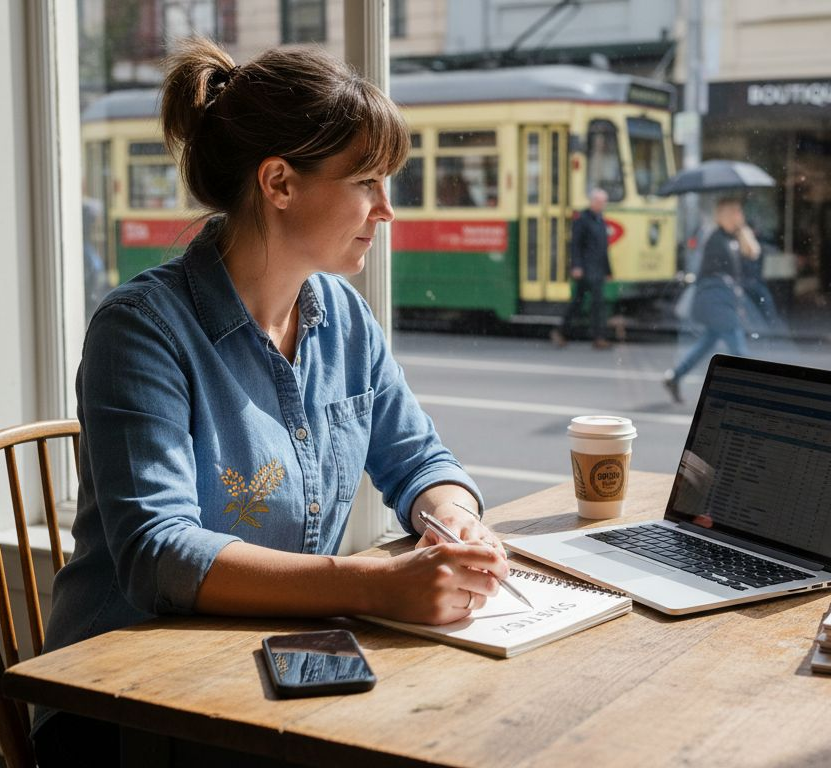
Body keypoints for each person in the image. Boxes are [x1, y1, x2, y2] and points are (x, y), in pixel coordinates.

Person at [32, 39, 510, 765]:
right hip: (120, 704)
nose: (386, 210)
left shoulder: (344, 317)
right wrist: (375, 587)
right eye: (367, 182)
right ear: (279, 183)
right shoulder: (140, 331)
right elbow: (160, 555)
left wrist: (456, 522)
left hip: (266, 667)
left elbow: (419, 458)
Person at [663, 198, 759, 403]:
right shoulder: (716, 238)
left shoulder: (730, 238)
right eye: (737, 212)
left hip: (723, 301)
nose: (741, 217)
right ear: (728, 215)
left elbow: (751, 256)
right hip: (715, 302)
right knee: (737, 347)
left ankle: (675, 376)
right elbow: (718, 275)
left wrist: (744, 233)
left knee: (708, 342)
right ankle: (750, 393)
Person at [551, 188, 613, 349]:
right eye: (600, 202)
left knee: (583, 303)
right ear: (592, 202)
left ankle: (563, 331)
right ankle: (597, 337)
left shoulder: (600, 220)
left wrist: (608, 271)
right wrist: (576, 266)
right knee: (593, 303)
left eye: (603, 202)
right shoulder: (582, 220)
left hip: (597, 269)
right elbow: (576, 246)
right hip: (586, 268)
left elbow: (603, 248)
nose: (602, 205)